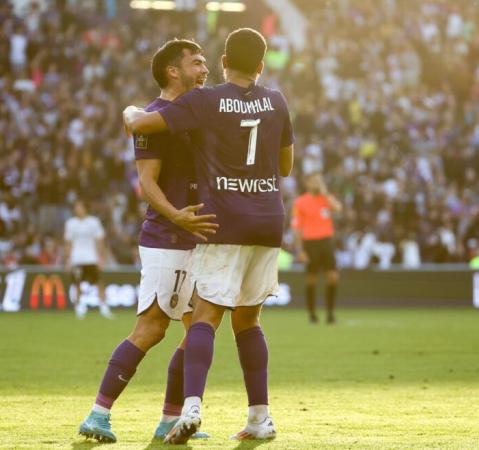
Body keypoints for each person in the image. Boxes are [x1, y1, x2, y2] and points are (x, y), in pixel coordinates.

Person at [123, 27, 294, 444]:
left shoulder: (207, 100)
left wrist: (129, 112)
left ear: (222, 63)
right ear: (260, 65)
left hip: (224, 222)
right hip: (269, 220)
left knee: (205, 317)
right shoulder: (276, 101)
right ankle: (259, 419)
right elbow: (285, 167)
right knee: (249, 320)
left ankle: (192, 406)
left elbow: (141, 124)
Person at [78, 39, 217, 443]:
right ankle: (97, 414)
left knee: (198, 333)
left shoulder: (194, 110)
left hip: (198, 237)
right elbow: (147, 182)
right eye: (197, 61)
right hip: (168, 237)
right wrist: (176, 215)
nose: (205, 68)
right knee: (152, 328)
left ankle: (169, 419)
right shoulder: (154, 117)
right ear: (173, 70)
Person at [292, 172, 342, 323]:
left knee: (332, 277)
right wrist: (299, 250)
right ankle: (312, 315)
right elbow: (296, 228)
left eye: (319, 181)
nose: (317, 183)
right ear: (307, 183)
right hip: (310, 243)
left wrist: (325, 193)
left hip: (326, 242)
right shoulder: (300, 202)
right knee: (311, 280)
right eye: (314, 181)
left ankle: (330, 313)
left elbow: (338, 208)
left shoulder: (326, 198)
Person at [64, 199, 112, 319]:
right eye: (76, 207)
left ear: (85, 208)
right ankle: (79, 307)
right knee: (77, 284)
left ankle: (103, 306)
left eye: (79, 207)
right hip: (77, 259)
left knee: (99, 282)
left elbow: (100, 241)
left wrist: (101, 258)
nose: (77, 209)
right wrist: (68, 259)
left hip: (92, 258)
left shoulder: (93, 222)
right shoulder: (71, 223)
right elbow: (68, 243)